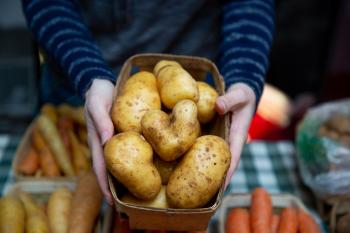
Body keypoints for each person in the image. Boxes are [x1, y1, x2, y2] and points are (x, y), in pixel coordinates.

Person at [22, 0, 274, 204]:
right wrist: (87, 73)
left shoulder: (189, 106)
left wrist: (243, 73)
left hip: (198, 75)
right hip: (78, 81)